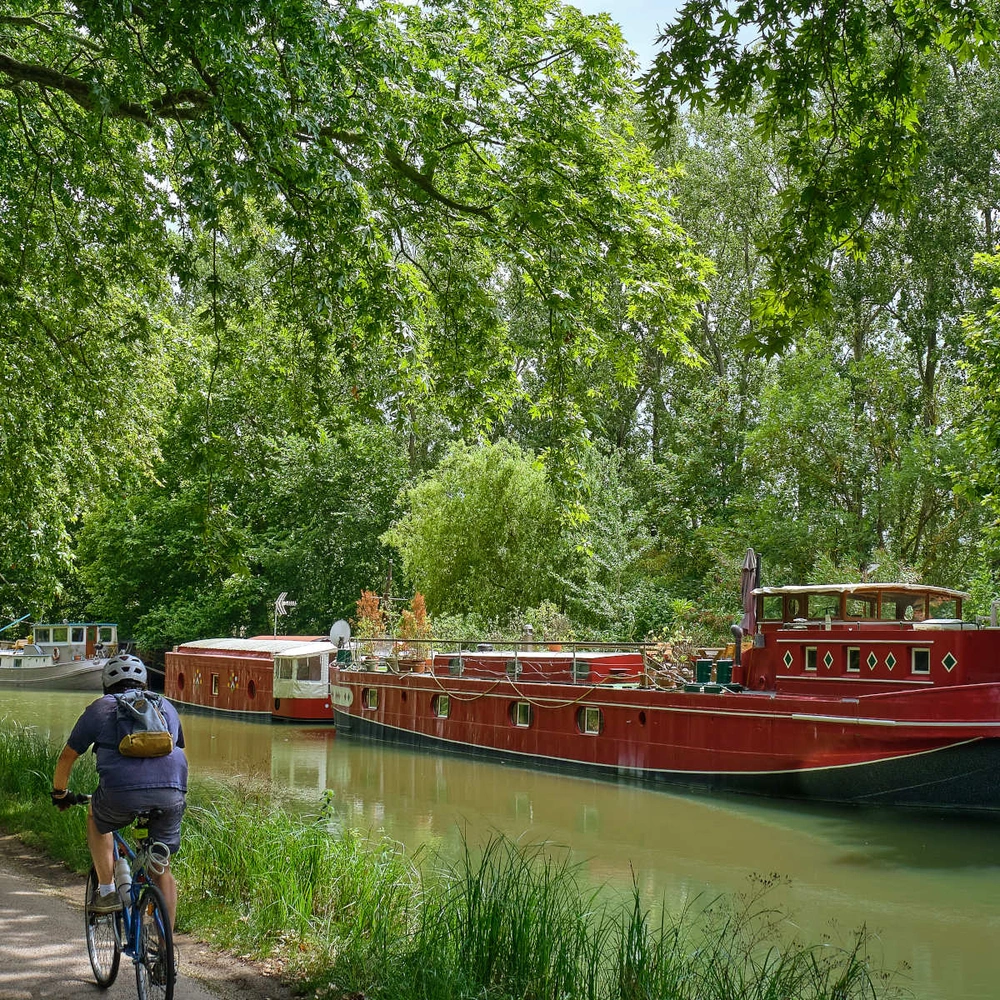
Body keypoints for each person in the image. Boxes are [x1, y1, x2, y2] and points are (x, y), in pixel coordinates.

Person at [50, 654, 188, 928]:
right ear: (144, 682)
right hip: (171, 792)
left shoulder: (100, 709)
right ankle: (166, 953)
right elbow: (179, 749)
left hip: (120, 795)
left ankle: (106, 891)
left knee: (96, 818)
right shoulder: (166, 707)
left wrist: (60, 794)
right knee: (162, 868)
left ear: (106, 684)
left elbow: (67, 757)